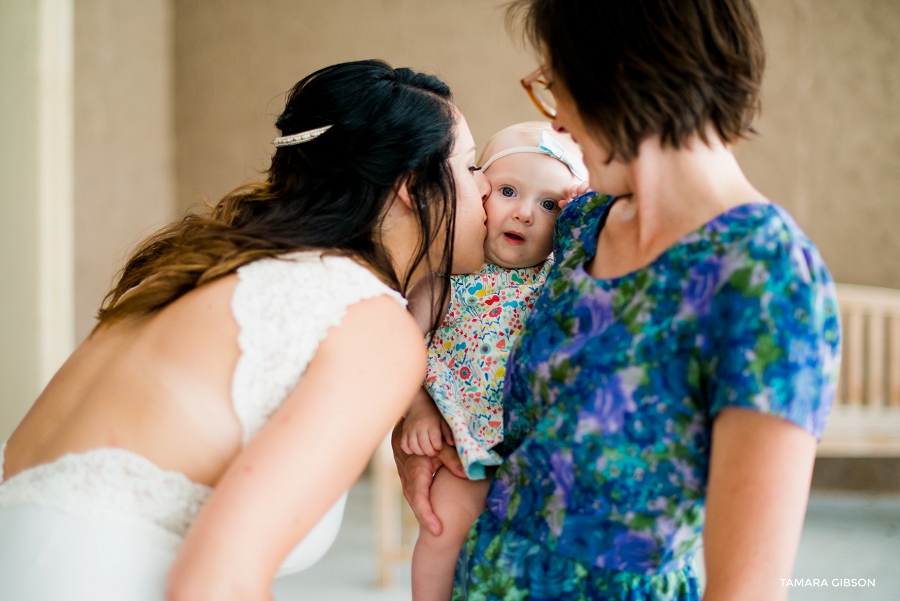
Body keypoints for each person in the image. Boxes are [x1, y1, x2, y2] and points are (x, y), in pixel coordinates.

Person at [392, 2, 842, 600]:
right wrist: (415, 426)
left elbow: (748, 587)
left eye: (557, 85)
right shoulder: (577, 226)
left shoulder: (767, 276)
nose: (558, 123)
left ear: (621, 74)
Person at [0, 59, 491, 601]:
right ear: (413, 187)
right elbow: (215, 584)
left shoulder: (188, 276)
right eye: (470, 167)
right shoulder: (372, 324)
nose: (488, 187)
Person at [400, 122, 586, 601]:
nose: (524, 213)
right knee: (443, 529)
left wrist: (585, 212)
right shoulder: (449, 274)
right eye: (507, 191)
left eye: (549, 205)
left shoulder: (558, 277)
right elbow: (396, 346)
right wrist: (417, 405)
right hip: (466, 450)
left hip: (540, 452)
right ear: (477, 189)